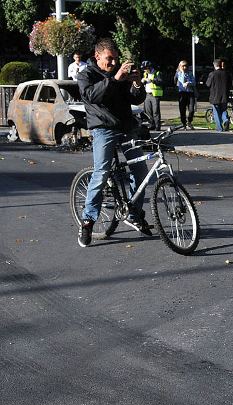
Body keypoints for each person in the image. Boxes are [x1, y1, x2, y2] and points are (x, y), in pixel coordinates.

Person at [75, 38, 151, 248]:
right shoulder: (86, 74)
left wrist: (136, 83)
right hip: (103, 129)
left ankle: (134, 212)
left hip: (126, 127)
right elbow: (91, 96)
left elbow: (135, 99)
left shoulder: (120, 73)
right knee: (101, 173)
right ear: (97, 56)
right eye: (109, 59)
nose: (113, 63)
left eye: (116, 59)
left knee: (140, 169)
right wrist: (115, 78)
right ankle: (88, 221)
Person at [205, 58, 233, 131]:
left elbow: (208, 84)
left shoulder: (212, 74)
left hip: (215, 96)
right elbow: (230, 84)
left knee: (216, 112)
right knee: (224, 110)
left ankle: (219, 128)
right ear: (221, 65)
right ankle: (226, 120)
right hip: (225, 96)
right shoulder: (227, 74)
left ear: (214, 65)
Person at [140, 60, 163, 130]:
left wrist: (152, 80)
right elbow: (144, 82)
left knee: (155, 111)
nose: (144, 70)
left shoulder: (157, 73)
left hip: (155, 95)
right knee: (148, 111)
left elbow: (160, 82)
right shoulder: (145, 74)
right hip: (147, 94)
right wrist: (142, 81)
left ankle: (157, 126)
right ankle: (151, 124)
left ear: (149, 67)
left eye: (145, 68)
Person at [175, 60, 196, 129]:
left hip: (190, 93)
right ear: (180, 66)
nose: (185, 67)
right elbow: (179, 81)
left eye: (186, 66)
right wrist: (183, 73)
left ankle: (189, 121)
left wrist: (189, 83)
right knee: (182, 109)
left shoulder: (190, 73)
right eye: (183, 66)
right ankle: (183, 123)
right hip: (182, 93)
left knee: (191, 109)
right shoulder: (178, 73)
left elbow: (194, 82)